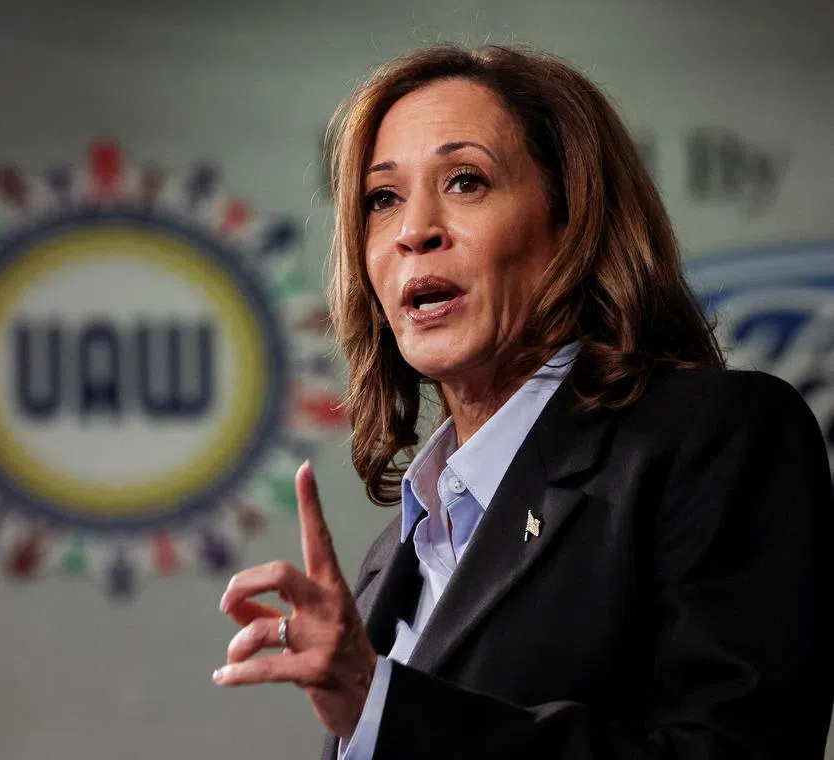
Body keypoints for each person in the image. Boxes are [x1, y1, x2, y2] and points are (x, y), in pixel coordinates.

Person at [211, 44, 834, 759]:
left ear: (572, 222)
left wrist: (383, 706)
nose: (415, 230)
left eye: (467, 181)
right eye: (382, 198)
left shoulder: (714, 442)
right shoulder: (395, 558)